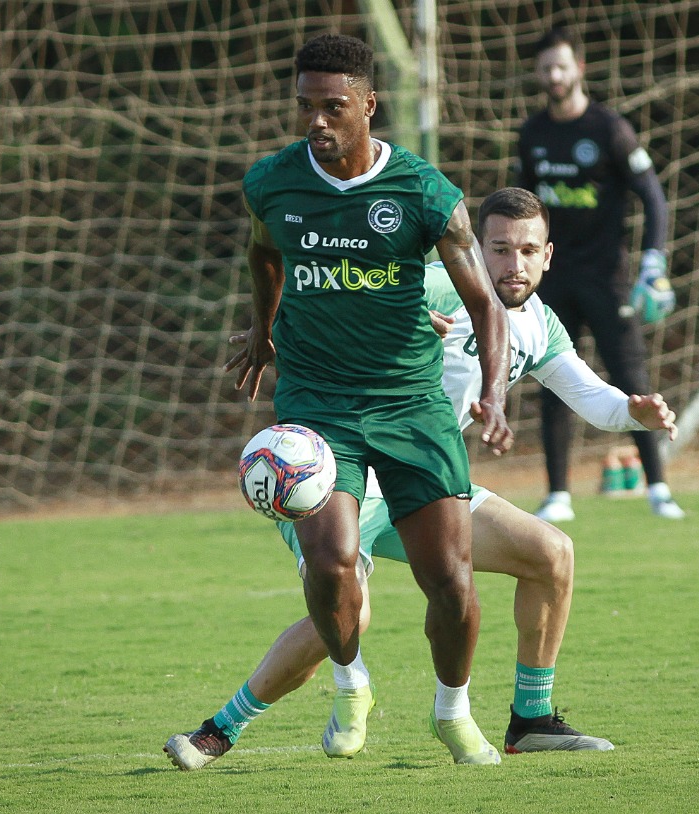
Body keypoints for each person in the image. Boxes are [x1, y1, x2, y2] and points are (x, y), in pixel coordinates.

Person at [165, 187, 679, 771]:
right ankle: (220, 729)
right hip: (335, 474)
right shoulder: (431, 284)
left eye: (528, 251)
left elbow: (591, 398)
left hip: (422, 483)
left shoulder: (540, 324)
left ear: (548, 256)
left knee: (551, 553)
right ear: (473, 248)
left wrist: (632, 412)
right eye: (500, 248)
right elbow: (327, 311)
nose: (514, 264)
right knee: (346, 614)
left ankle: (531, 721)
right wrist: (279, 332)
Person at [218, 33, 513, 766]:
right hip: (318, 400)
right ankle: (351, 684)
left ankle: (453, 711)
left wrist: (494, 392)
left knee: (448, 578)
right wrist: (262, 334)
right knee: (332, 560)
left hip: (411, 401)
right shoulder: (273, 183)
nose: (316, 121)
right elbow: (262, 252)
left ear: (368, 106)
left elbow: (487, 305)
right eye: (305, 107)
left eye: (333, 107)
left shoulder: (423, 193)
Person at [517, 27, 685, 523]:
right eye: (546, 67)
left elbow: (653, 197)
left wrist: (655, 260)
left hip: (608, 278)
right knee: (551, 380)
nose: (553, 75)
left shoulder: (609, 128)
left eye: (561, 66)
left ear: (579, 69)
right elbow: (524, 208)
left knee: (631, 378)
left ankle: (658, 488)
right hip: (552, 279)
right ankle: (558, 495)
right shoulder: (532, 134)